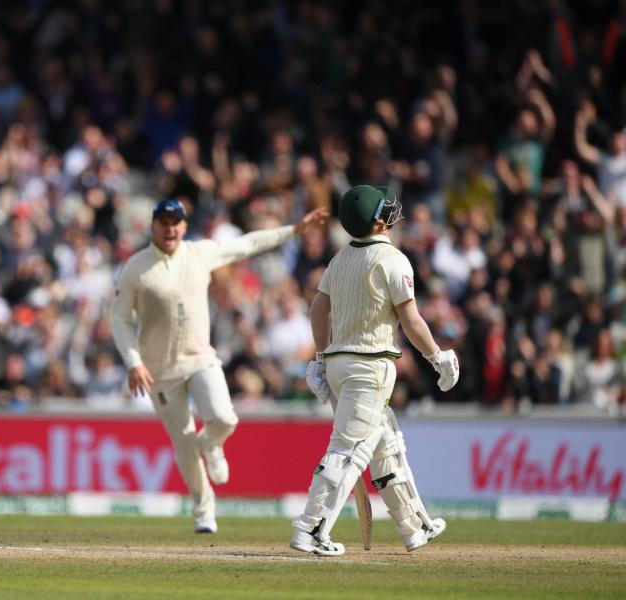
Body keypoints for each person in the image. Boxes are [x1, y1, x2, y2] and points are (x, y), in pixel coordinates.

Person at [111, 198, 328, 534]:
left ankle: (211, 443)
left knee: (225, 417)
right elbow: (120, 320)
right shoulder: (136, 267)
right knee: (184, 444)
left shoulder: (199, 253)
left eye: (176, 222)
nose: (170, 228)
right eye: (164, 222)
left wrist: (294, 230)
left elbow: (248, 244)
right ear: (154, 225)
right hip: (158, 370)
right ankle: (203, 510)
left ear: (184, 227)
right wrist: (134, 362)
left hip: (200, 358)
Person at [291, 185, 459, 556]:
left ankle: (414, 526)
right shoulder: (392, 259)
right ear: (379, 220)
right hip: (370, 366)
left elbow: (318, 309)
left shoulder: (339, 259)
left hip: (341, 363)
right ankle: (310, 529)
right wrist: (438, 358)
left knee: (387, 445)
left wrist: (320, 359)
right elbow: (411, 320)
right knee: (348, 451)